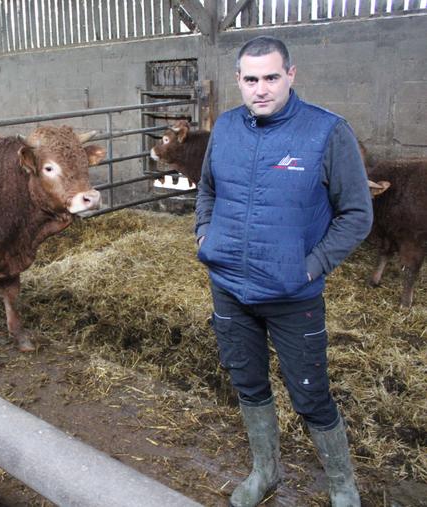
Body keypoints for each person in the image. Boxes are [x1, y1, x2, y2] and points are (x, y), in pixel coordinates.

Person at [194, 36, 372, 507]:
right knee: (247, 383)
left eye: (271, 77)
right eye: (250, 79)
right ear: (238, 81)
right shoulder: (226, 128)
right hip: (229, 287)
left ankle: (342, 485)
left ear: (291, 75)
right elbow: (208, 190)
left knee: (311, 394)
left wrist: (311, 267)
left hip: (293, 294)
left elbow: (357, 214)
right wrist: (204, 236)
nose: (261, 89)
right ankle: (265, 472)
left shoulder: (327, 132)